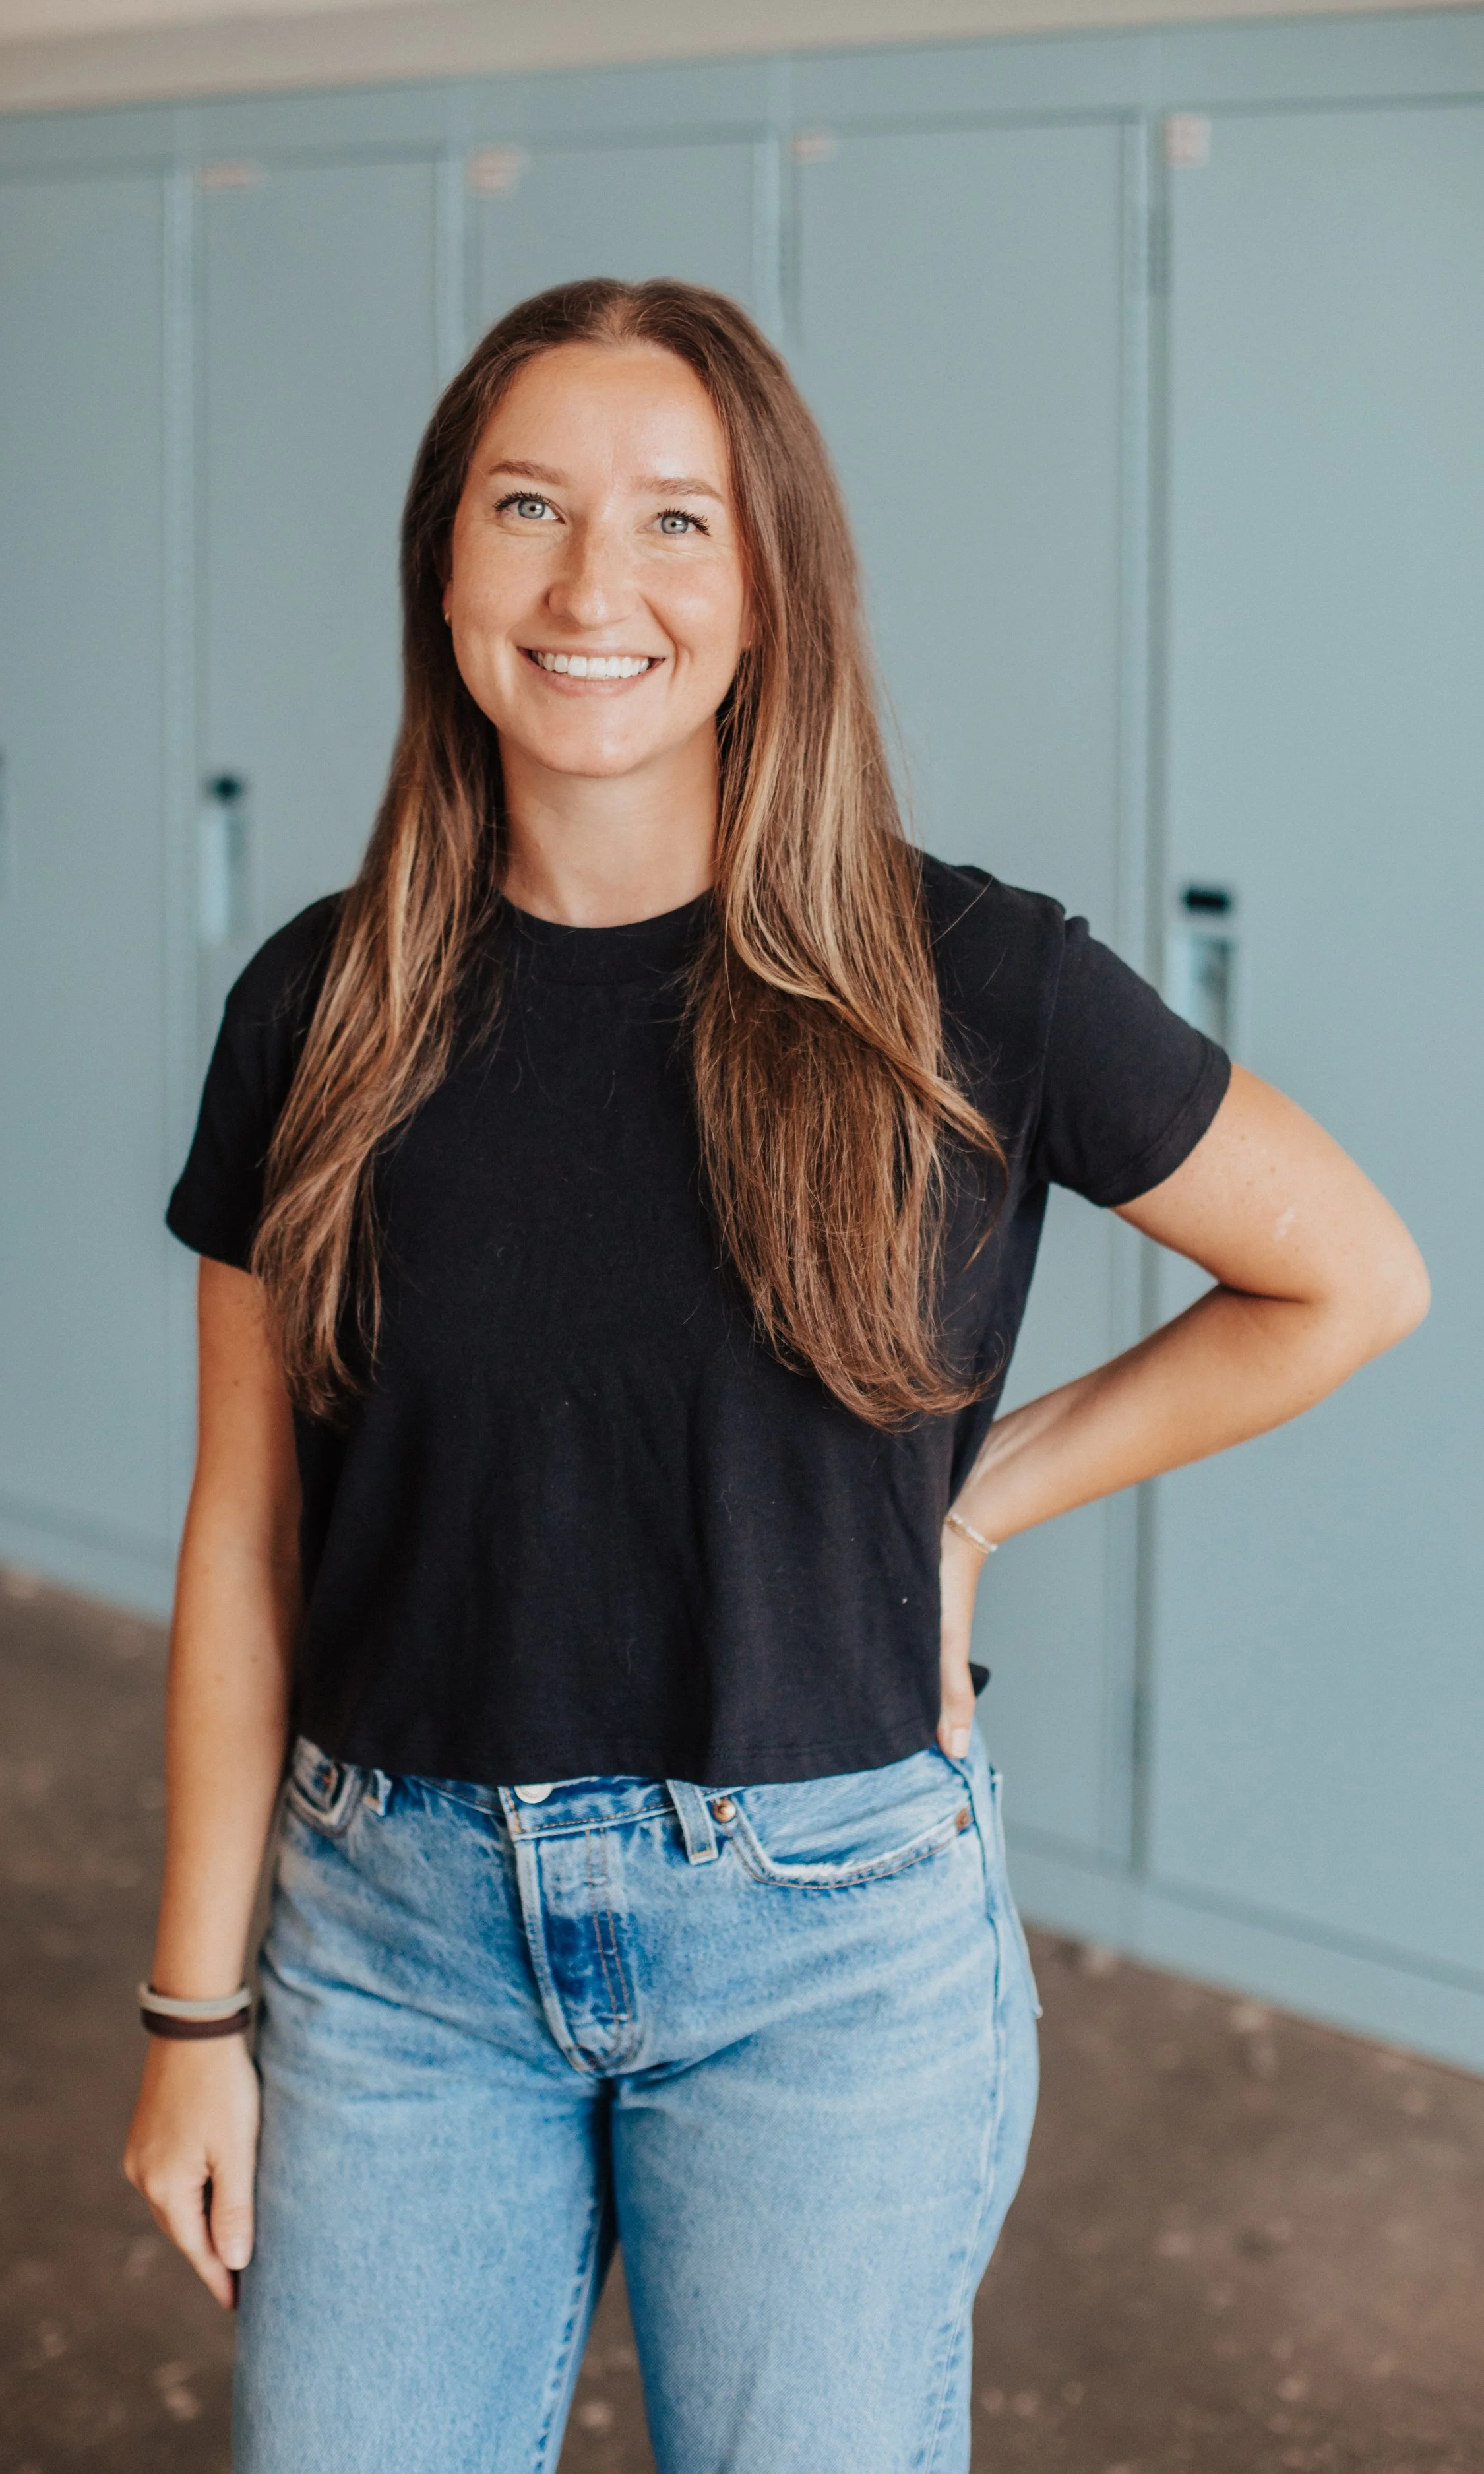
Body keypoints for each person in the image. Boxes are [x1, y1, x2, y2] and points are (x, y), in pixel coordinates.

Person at [123, 279, 1427, 2472]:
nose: (587, 587)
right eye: (526, 507)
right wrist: (191, 2011)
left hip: (826, 1948)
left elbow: (1350, 1276)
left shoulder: (965, 978)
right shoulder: (319, 1006)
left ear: (765, 590)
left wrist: (979, 1503)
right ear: (443, 561)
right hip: (397, 1941)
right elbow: (247, 1537)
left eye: (673, 523)